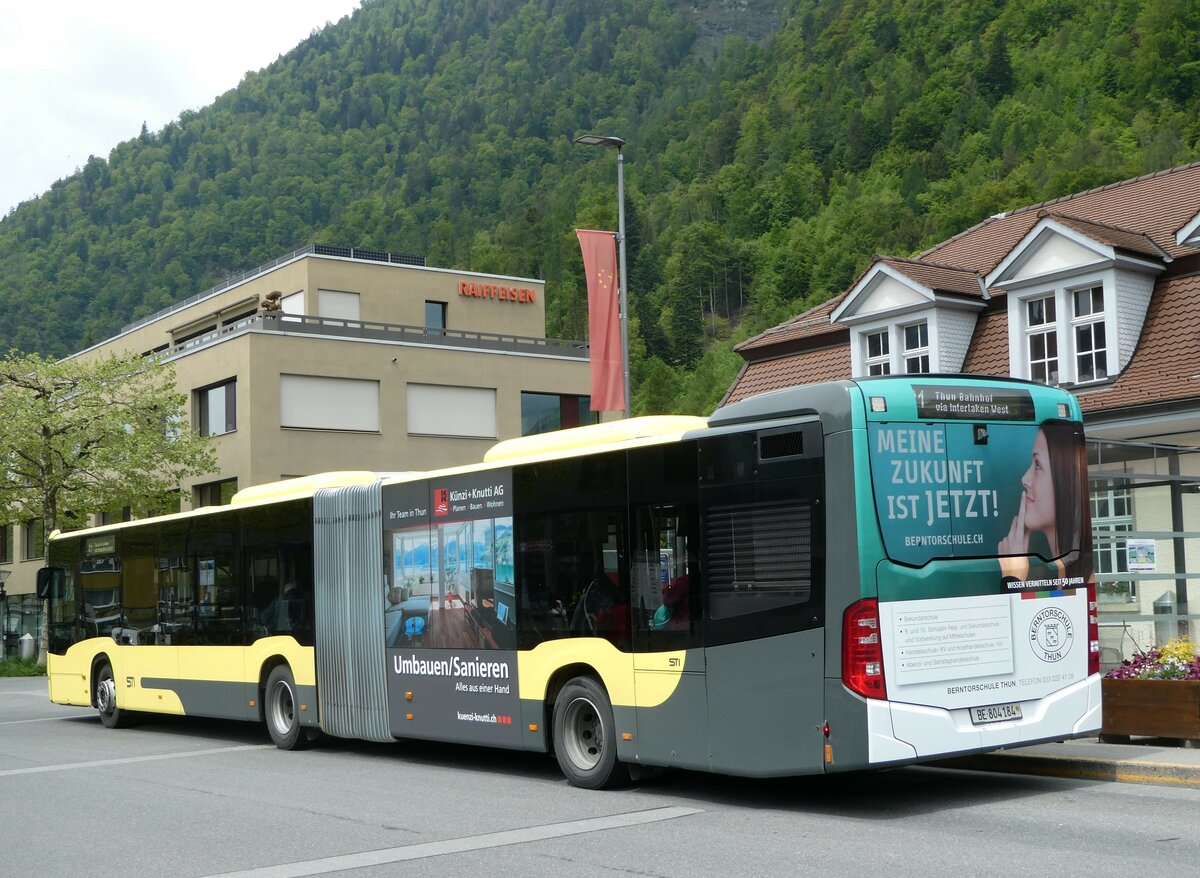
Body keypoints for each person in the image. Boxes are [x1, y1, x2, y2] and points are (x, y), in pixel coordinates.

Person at [998, 422, 1090, 583]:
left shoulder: (1085, 580)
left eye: (1037, 465)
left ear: (1066, 481)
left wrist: (1012, 577)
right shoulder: (1061, 577)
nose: (1024, 479)